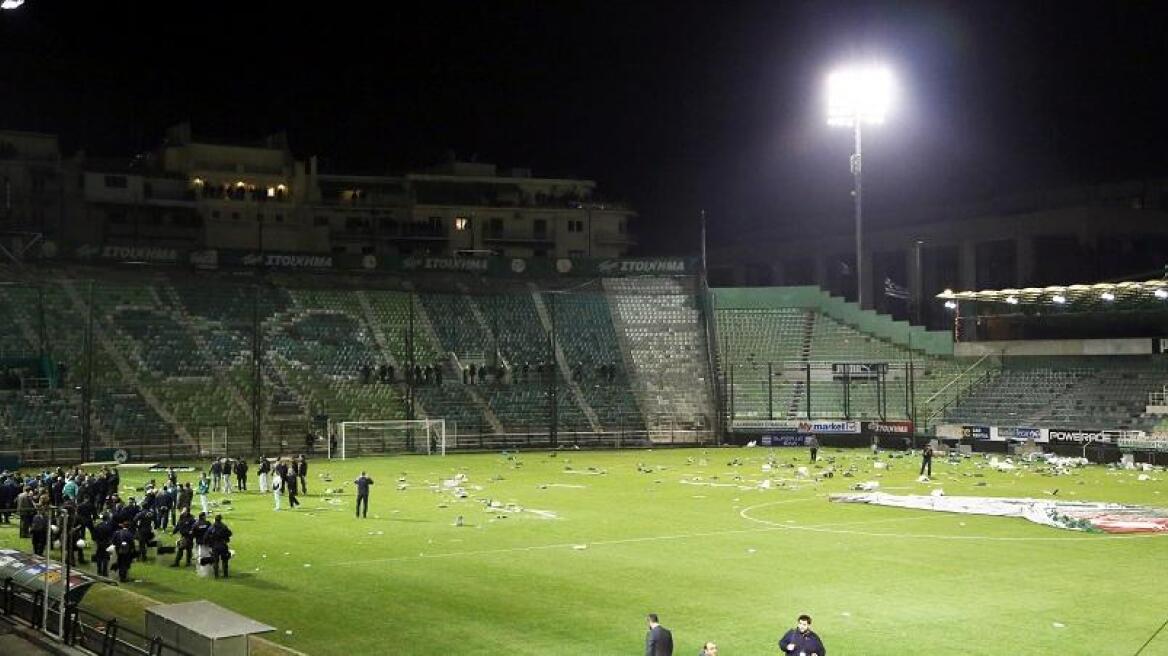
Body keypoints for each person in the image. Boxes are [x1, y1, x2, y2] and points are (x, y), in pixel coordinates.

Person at [204, 514, 233, 578]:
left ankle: (216, 575)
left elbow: (206, 536)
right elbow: (230, 533)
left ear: (215, 519)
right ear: (220, 519)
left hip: (215, 545)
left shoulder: (212, 527)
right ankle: (225, 575)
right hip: (223, 545)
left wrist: (208, 543)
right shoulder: (224, 526)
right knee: (225, 560)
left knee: (215, 561)